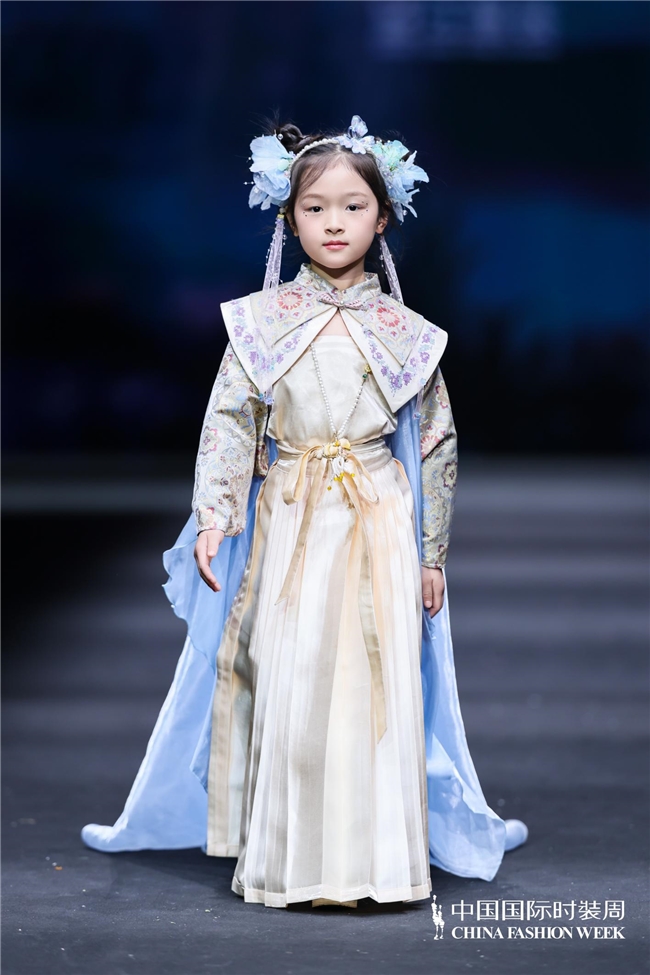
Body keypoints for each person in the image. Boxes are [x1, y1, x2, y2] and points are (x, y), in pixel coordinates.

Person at [81, 115, 528, 909]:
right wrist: (215, 514)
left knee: (371, 684)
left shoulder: (407, 335)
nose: (334, 223)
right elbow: (230, 420)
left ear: (382, 219)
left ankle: (374, 861)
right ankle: (293, 857)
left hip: (377, 516)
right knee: (292, 677)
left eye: (353, 206)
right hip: (291, 511)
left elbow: (435, 442)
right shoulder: (262, 323)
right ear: (290, 219)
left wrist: (431, 552)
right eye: (316, 208)